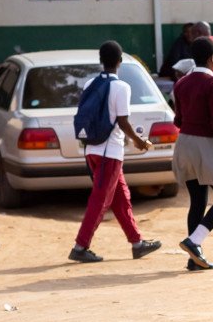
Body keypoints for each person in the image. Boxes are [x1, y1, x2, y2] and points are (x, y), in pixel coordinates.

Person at [69, 41, 161, 263]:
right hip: (109, 153)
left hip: (91, 149)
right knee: (100, 200)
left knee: (121, 198)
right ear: (120, 61)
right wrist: (139, 141)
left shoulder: (90, 83)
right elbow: (122, 121)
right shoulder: (122, 87)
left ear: (101, 61)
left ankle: (137, 243)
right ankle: (80, 246)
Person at [172, 37, 213, 271]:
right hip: (206, 145)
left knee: (197, 200)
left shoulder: (181, 83)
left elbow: (177, 119)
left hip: (184, 144)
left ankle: (193, 259)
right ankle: (194, 241)